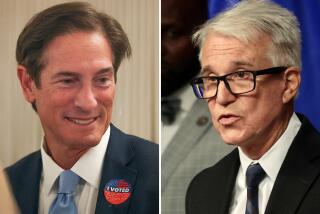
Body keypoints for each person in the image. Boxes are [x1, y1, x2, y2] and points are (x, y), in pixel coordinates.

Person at [5, 2, 158, 214]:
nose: (88, 103)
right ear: (28, 84)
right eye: (68, 81)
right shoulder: (7, 188)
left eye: (102, 79)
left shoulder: (158, 172)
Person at [186, 0, 320, 213]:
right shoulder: (202, 189)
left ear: (288, 84)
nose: (222, 97)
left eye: (240, 75)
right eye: (211, 78)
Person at [161, 0, 232, 213]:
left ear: (203, 36)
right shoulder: (121, 110)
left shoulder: (233, 116)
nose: (158, 48)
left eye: (172, 33)